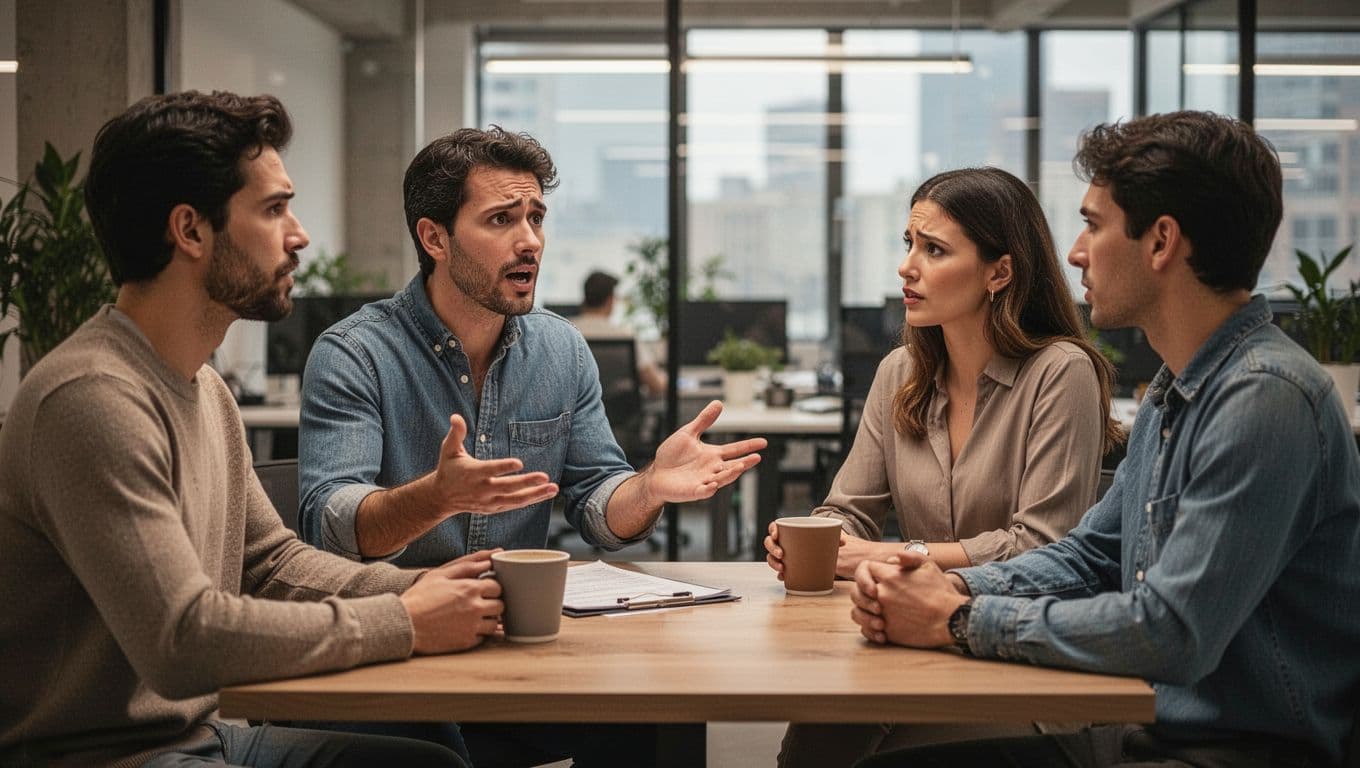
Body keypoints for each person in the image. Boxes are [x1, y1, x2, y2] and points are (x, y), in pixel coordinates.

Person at [0, 91, 495, 768]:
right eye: (273, 208)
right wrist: (403, 622)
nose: (299, 234)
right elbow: (182, 640)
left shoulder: (202, 385)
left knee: (427, 755)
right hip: (103, 756)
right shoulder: (91, 399)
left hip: (202, 738)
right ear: (191, 231)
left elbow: (269, 565)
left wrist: (428, 589)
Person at [851, 111, 1360, 768]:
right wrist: (956, 589)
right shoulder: (1176, 392)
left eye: (1093, 224)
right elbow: (1089, 557)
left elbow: (1171, 632)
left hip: (1234, 751)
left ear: (1161, 243)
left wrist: (955, 621)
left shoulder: (1265, 398)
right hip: (1148, 727)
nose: (1073, 252)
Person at [297, 126, 766, 767]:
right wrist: (433, 499)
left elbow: (599, 505)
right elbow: (332, 525)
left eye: (536, 216)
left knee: (657, 710)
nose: (531, 241)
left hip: (519, 641)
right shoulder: (355, 354)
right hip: (401, 647)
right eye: (501, 219)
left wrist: (650, 485)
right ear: (434, 237)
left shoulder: (562, 349)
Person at [765, 166, 1122, 766]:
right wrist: (816, 541)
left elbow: (1039, 545)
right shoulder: (898, 374)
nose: (908, 266)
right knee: (817, 737)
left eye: (934, 249)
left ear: (999, 272)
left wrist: (895, 557)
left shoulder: (1061, 372)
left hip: (1012, 655)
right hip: (907, 638)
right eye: (908, 244)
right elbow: (846, 510)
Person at [572, 269, 667, 396]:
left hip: (577, 414)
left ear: (584, 300)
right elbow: (656, 386)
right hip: (621, 413)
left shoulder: (565, 333)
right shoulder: (624, 335)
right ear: (610, 300)